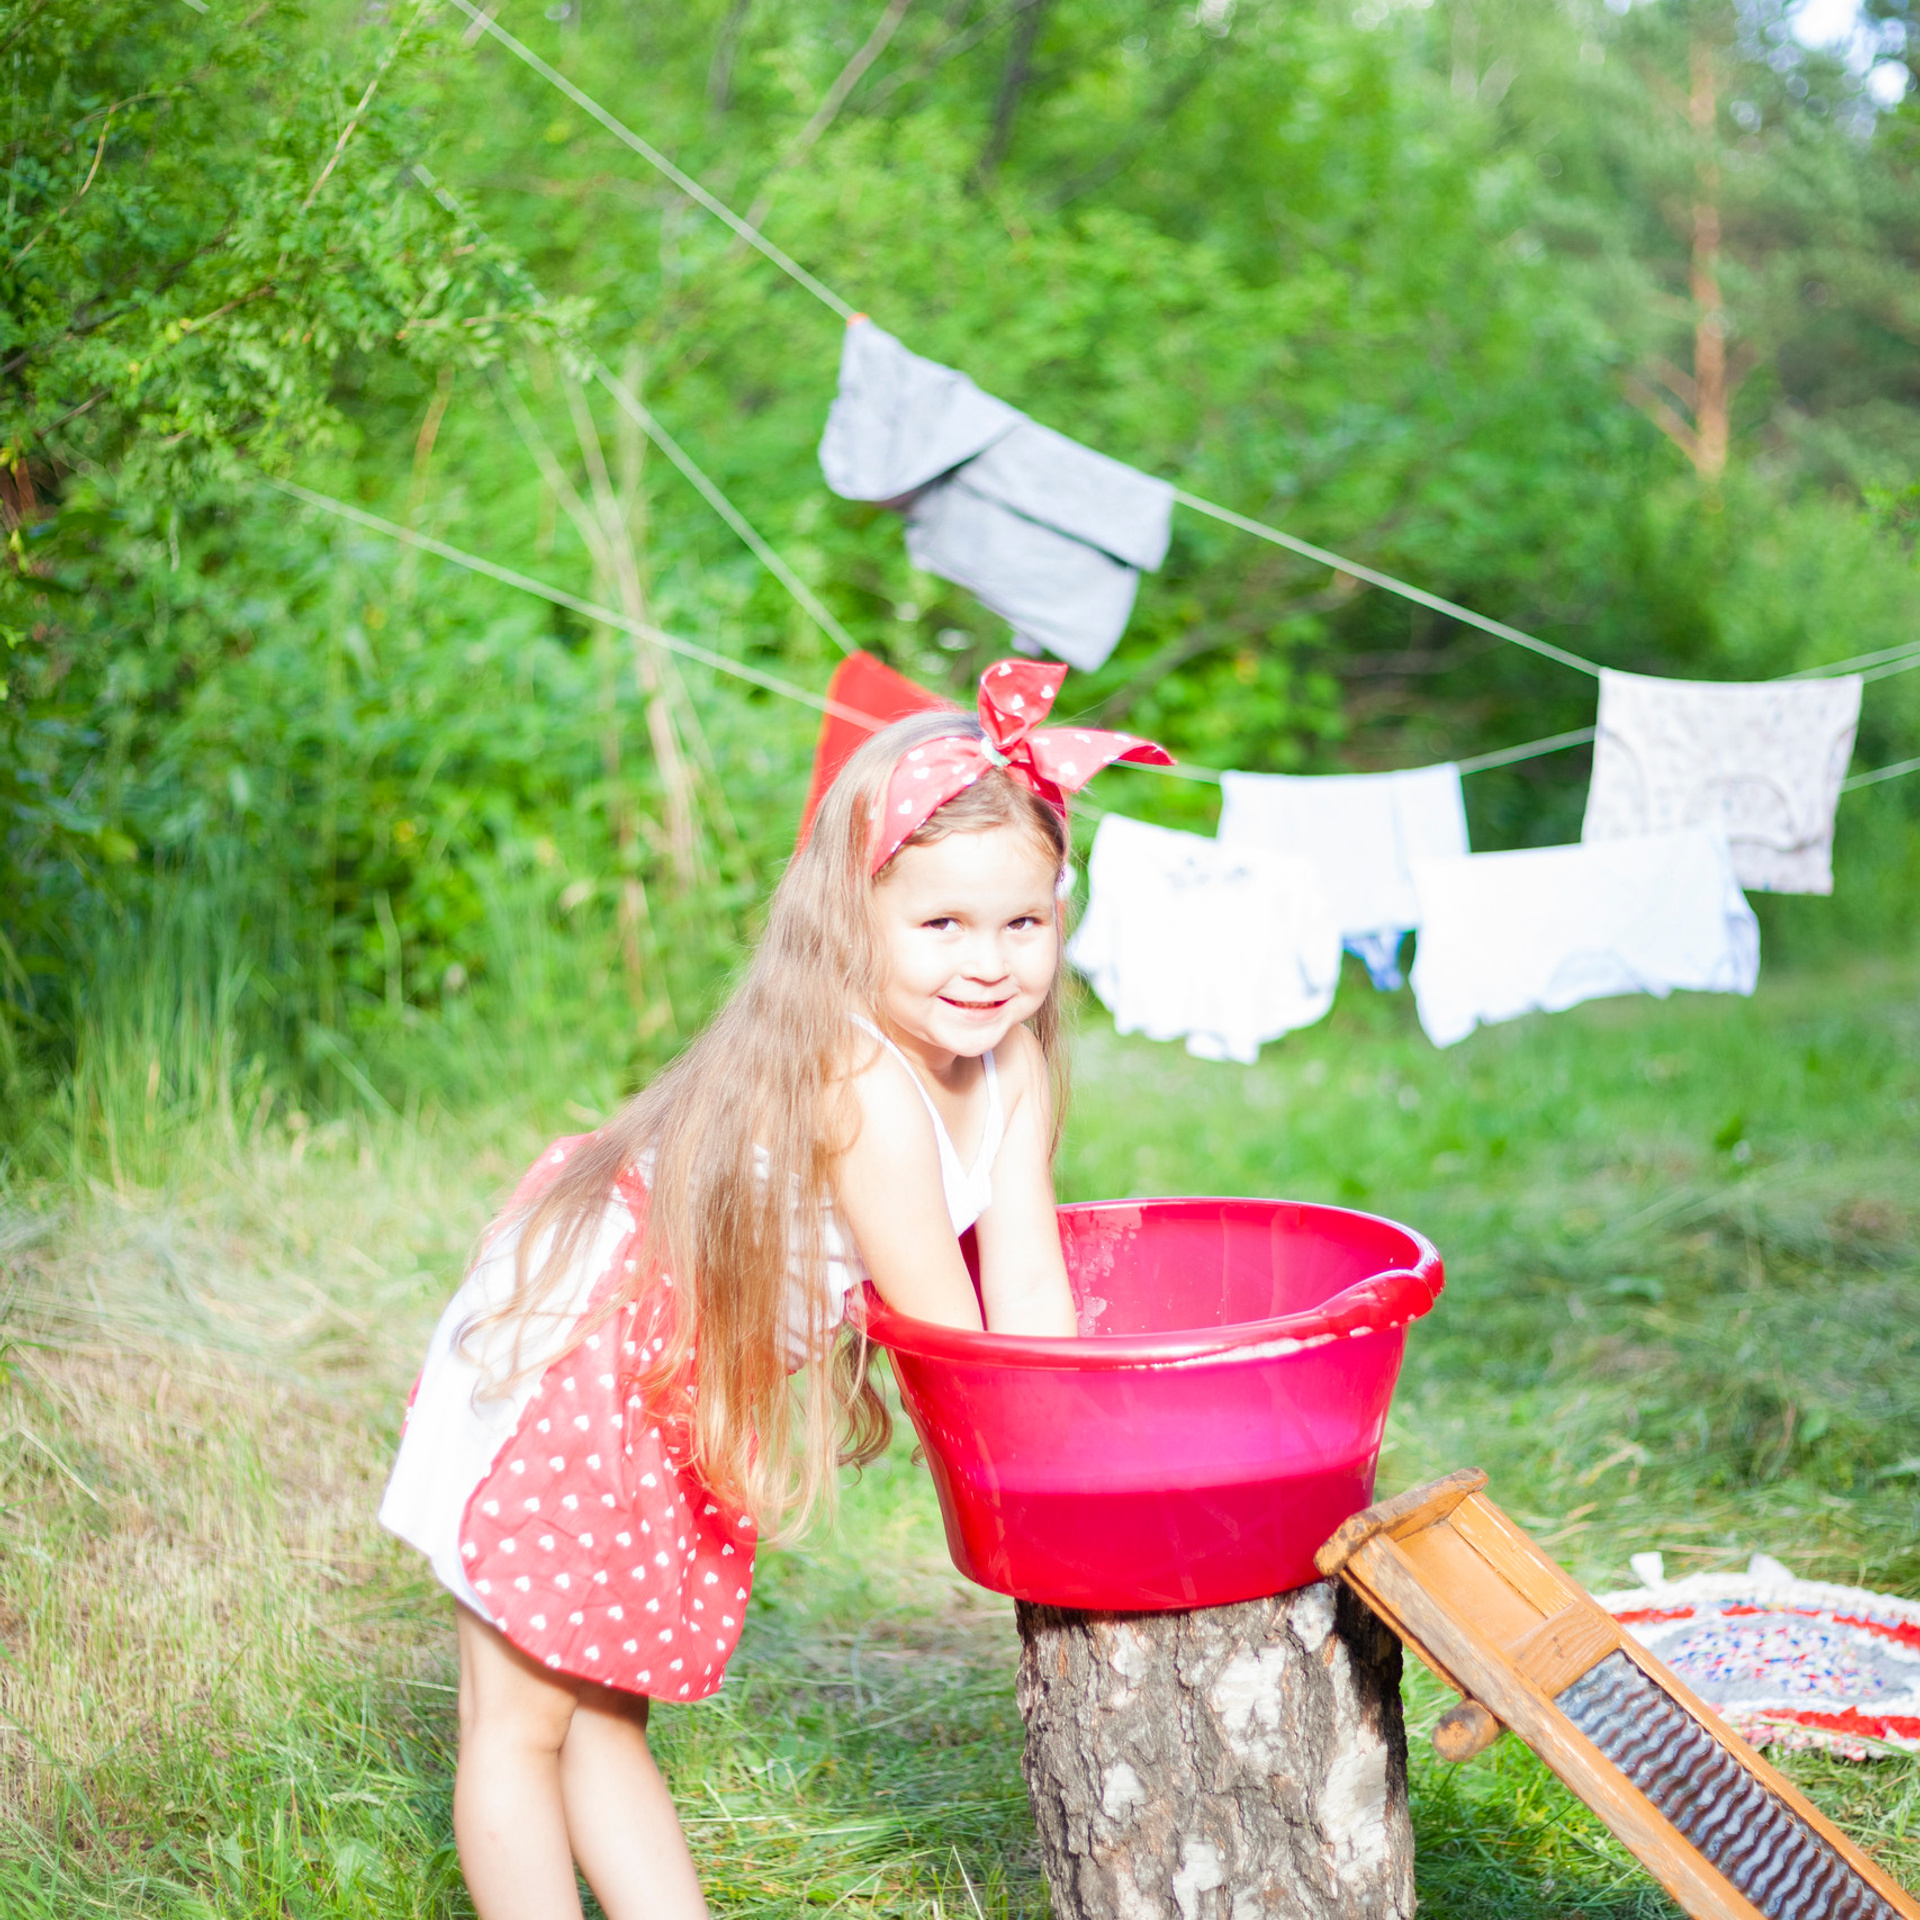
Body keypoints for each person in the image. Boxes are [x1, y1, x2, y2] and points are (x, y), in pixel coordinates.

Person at [378, 660, 1169, 1920]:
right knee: (521, 1720)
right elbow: (947, 1336)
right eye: (942, 925)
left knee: (604, 1709)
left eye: (1023, 924)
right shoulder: (859, 1077)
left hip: (681, 1370)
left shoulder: (1011, 1064)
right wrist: (1052, 1518)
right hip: (579, 1344)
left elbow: (1024, 1278)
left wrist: (1084, 1456)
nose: (988, 963)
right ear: (853, 920)